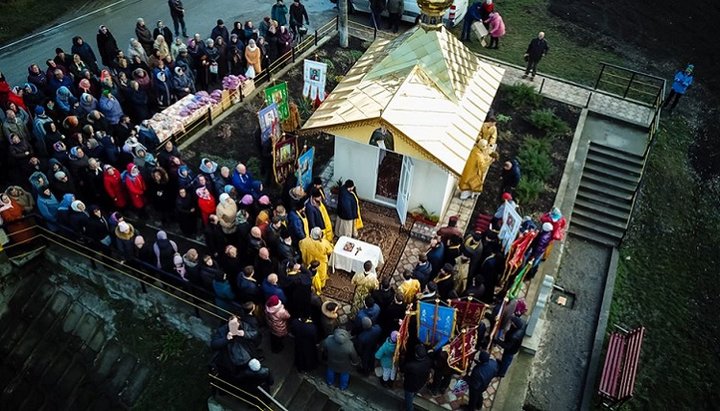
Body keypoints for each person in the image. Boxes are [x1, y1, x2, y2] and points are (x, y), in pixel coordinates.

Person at [298, 227, 333, 294]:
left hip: (308, 260)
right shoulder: (324, 243)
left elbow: (300, 246)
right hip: (320, 263)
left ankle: (313, 286)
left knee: (311, 274)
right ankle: (321, 286)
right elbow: (330, 251)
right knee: (322, 275)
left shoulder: (304, 241)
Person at [402, 344, 432, 411]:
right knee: (414, 392)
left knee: (408, 400)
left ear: (416, 355)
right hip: (421, 383)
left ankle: (409, 409)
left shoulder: (411, 365)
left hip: (410, 386)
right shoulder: (428, 360)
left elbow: (403, 370)